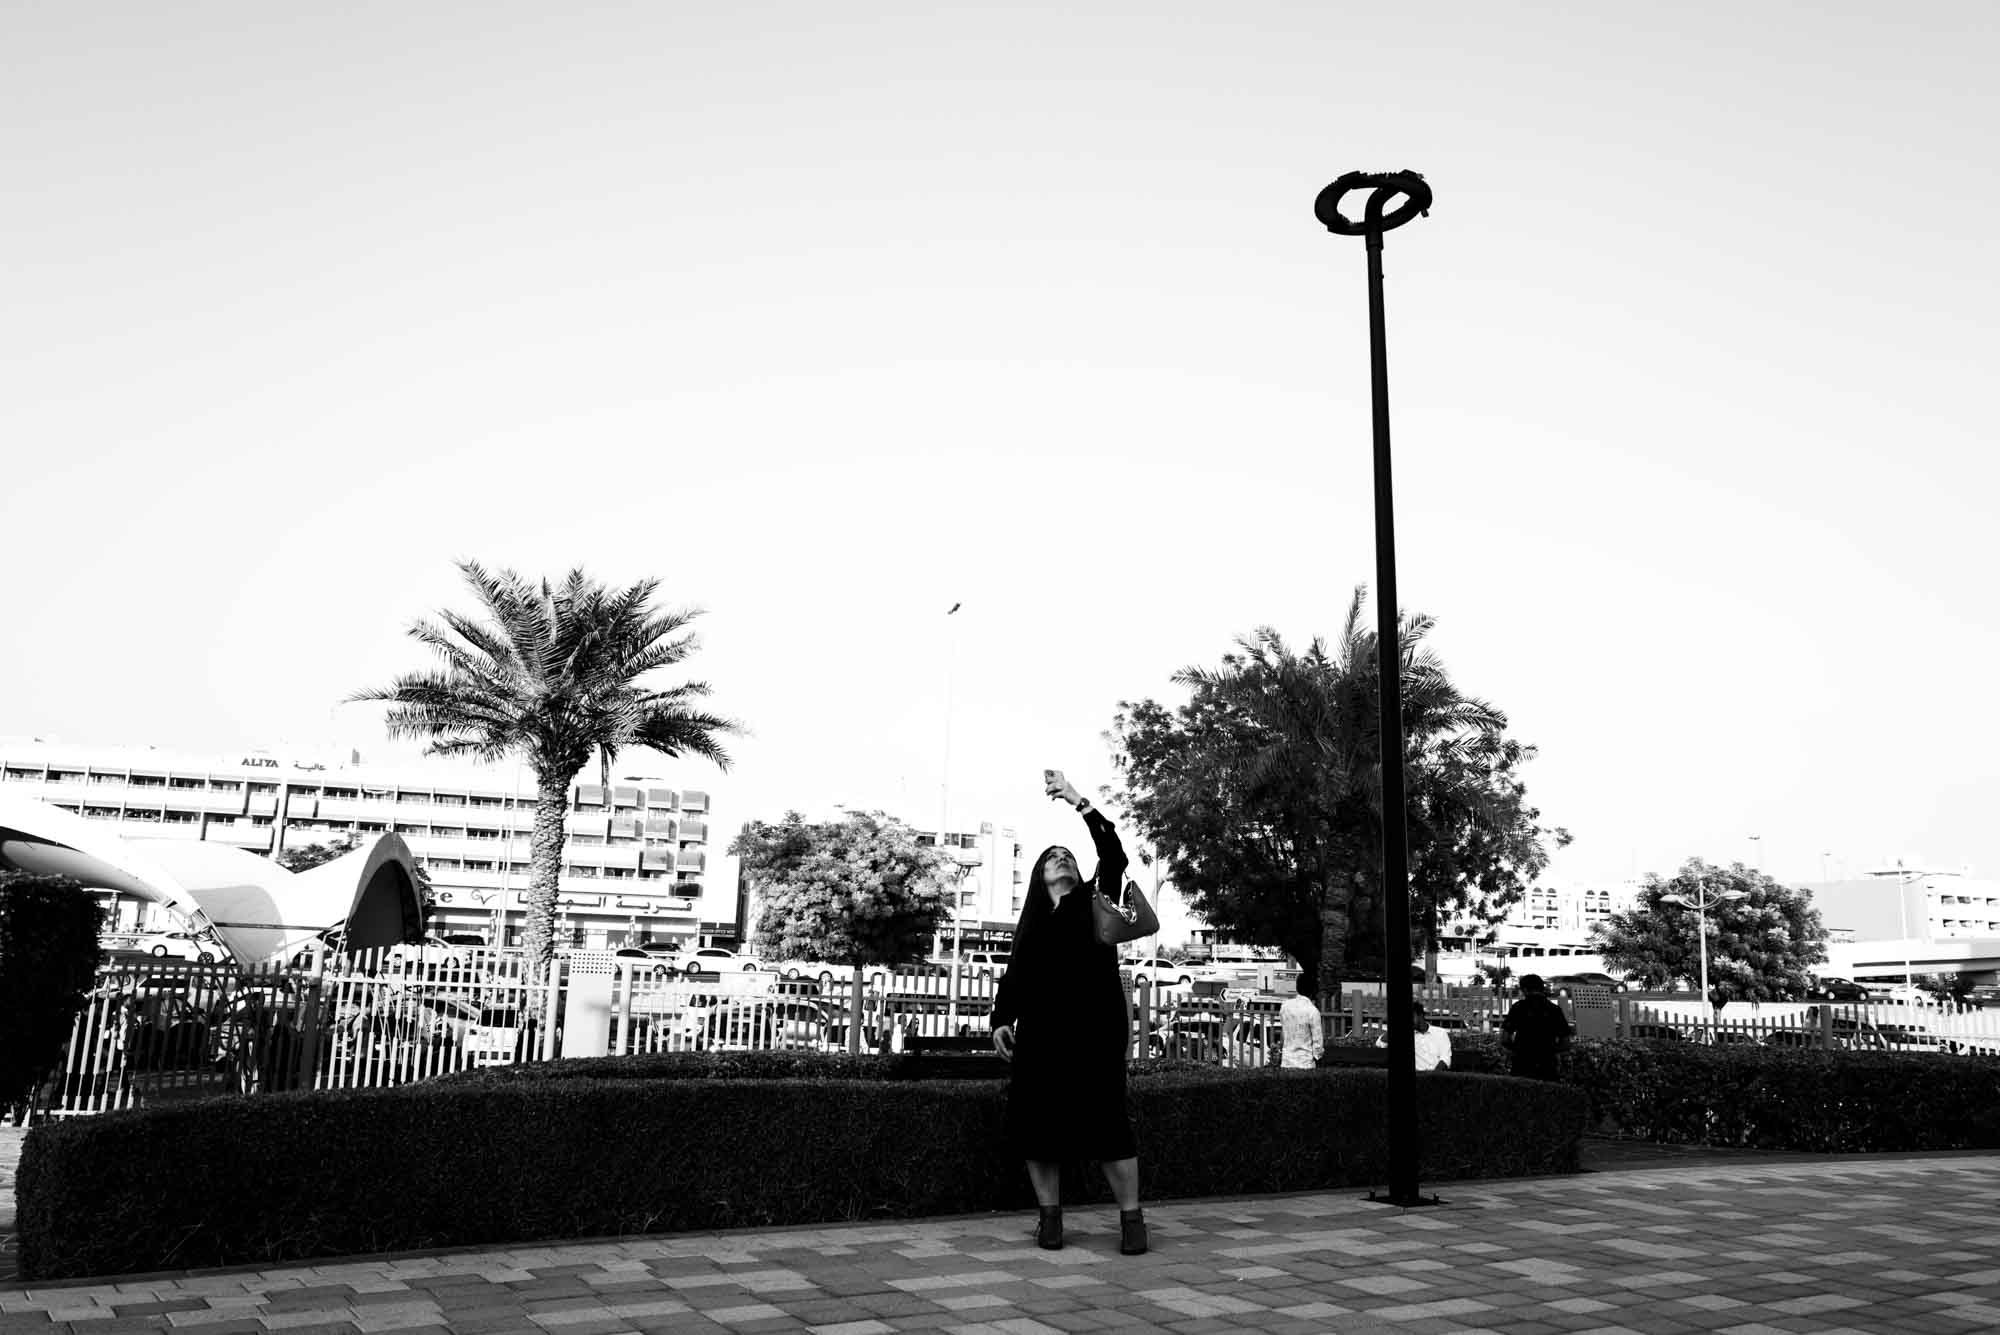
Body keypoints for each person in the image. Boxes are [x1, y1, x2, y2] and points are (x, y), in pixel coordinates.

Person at [990, 769, 1158, 1256]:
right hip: (1041, 1036)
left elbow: (1114, 854)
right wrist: (1002, 1019)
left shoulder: (1093, 898)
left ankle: (1132, 1220)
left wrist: (1077, 800)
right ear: (1040, 877)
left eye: (1066, 856)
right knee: (1038, 1129)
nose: (1060, 858)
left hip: (1095, 1032)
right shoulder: (1034, 924)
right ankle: (1050, 1220)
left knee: (1108, 1125)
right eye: (1051, 858)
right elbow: (1015, 977)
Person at [1501, 974, 1573, 1080]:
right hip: (1548, 1065)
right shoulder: (1554, 1010)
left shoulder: (1518, 1008)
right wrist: (1552, 1050)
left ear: (1524, 989)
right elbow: (1566, 1042)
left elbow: (1505, 1037)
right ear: (1542, 988)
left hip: (1522, 1064)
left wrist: (1515, 1050)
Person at [1374, 999, 1451, 1070]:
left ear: (1420, 1015)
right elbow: (1380, 1044)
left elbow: (1445, 1058)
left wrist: (1433, 1076)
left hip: (1437, 1076)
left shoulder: (1440, 1033)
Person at [1279, 976, 1324, 1069]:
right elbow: (1318, 1041)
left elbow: (1283, 1033)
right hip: (1306, 1063)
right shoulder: (1313, 1011)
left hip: (1286, 1062)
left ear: (1297, 987)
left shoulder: (1285, 1006)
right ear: (1314, 990)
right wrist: (1318, 1056)